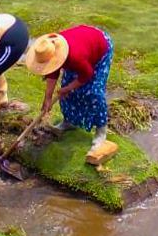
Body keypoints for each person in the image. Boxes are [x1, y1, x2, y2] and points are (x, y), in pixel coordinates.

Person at [25, 25, 113, 153]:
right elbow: (52, 73)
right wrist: (48, 98)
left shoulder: (73, 57)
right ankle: (70, 122)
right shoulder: (51, 53)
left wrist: (69, 88)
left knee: (94, 93)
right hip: (81, 49)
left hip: (100, 49)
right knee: (65, 90)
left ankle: (101, 132)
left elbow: (87, 74)